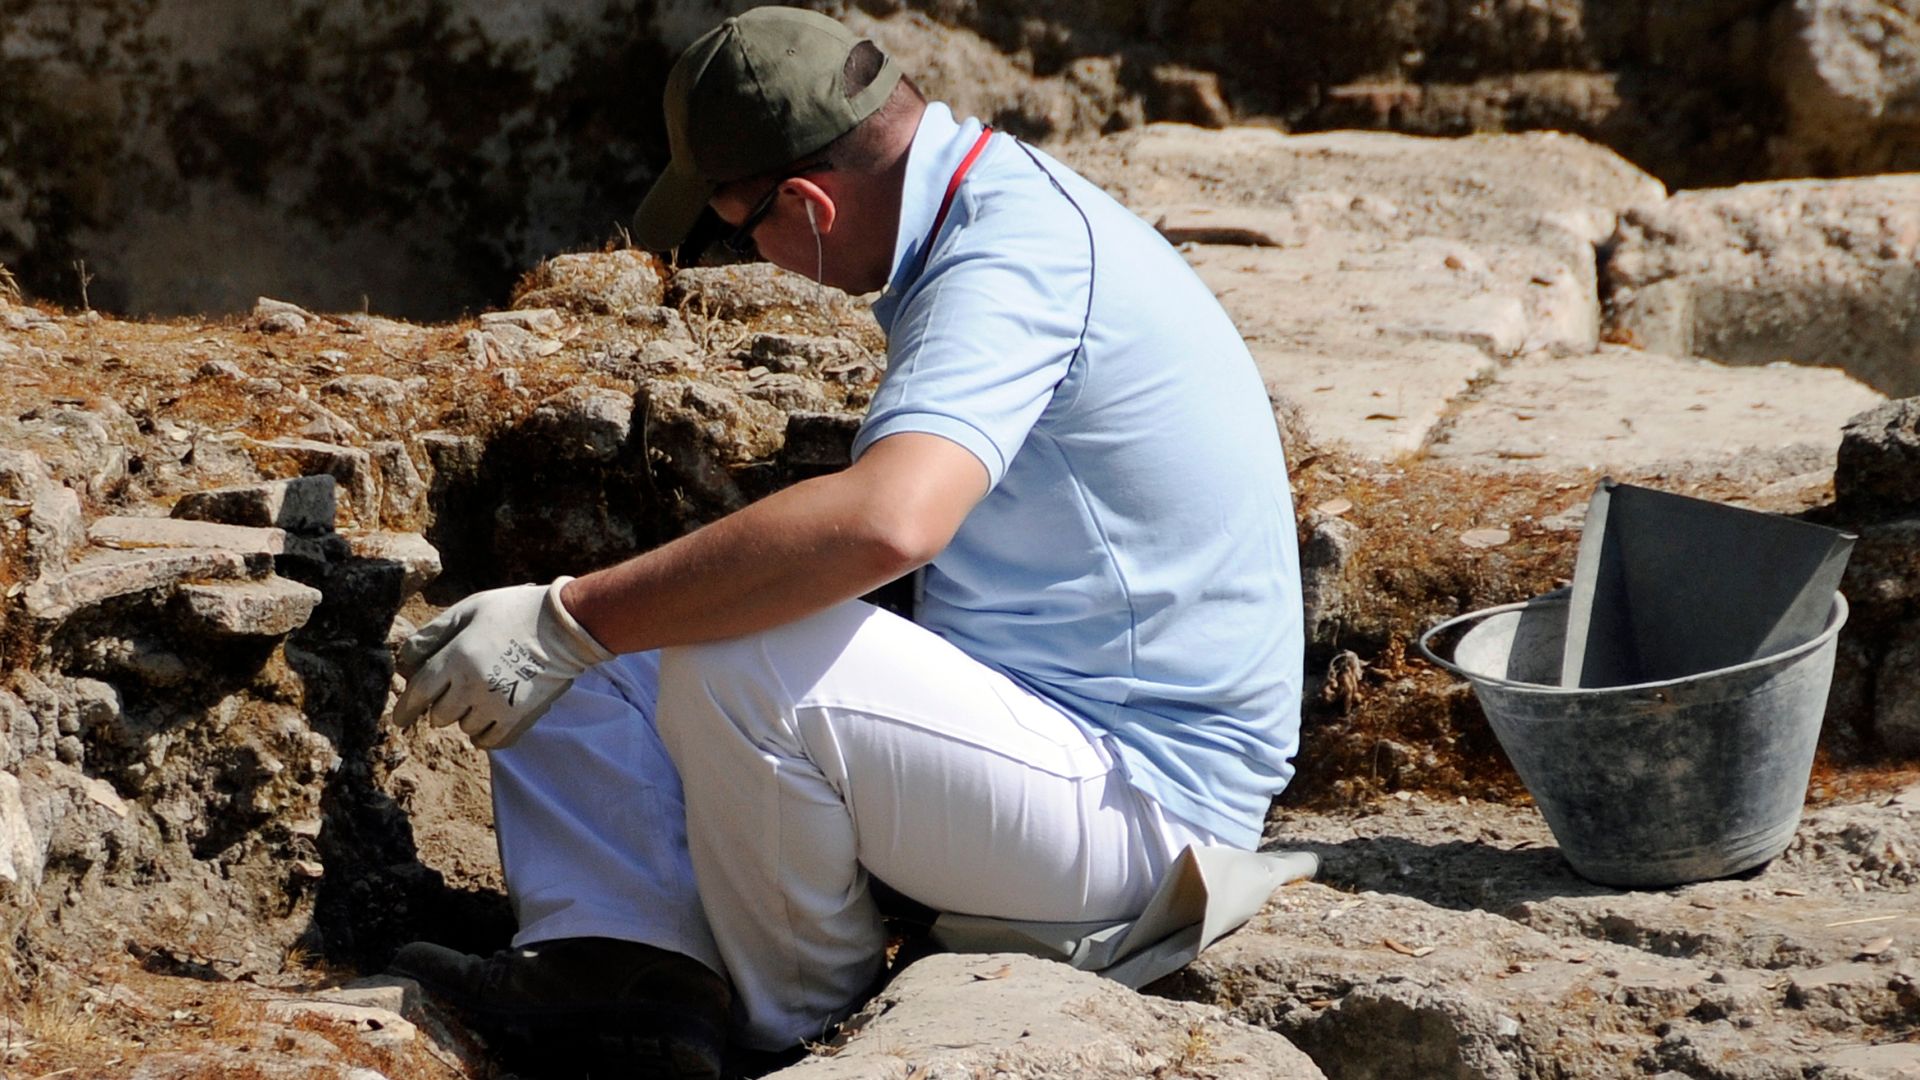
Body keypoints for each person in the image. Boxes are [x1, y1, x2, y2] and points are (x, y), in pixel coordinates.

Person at [387, 6, 1303, 1077]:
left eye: (739, 230)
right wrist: (575, 623)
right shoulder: (982, 214)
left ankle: (803, 1028)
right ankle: (630, 979)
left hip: (1147, 806)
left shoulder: (1011, 259)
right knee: (617, 637)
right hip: (1054, 745)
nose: (752, 259)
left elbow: (889, 520)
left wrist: (573, 617)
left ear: (809, 204)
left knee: (730, 656)